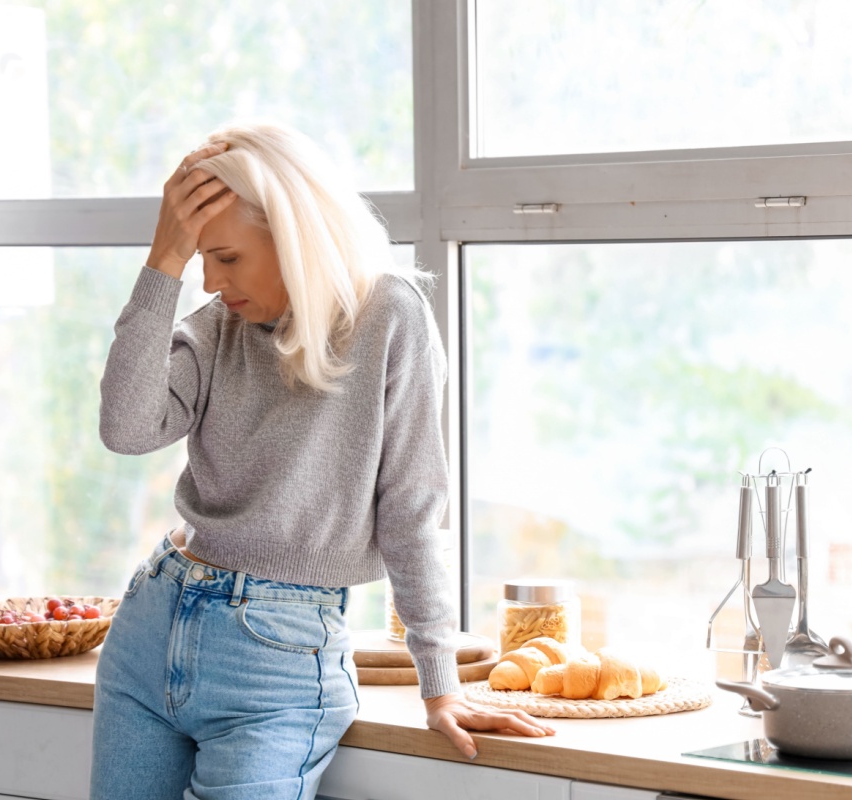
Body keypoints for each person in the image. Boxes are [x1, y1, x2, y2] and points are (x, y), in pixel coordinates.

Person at [91, 122, 554, 800]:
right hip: (150, 625)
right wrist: (162, 262)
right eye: (200, 262)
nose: (213, 283)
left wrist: (439, 682)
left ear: (293, 235)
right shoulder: (218, 328)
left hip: (276, 661)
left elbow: (412, 507)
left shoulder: (390, 316)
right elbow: (127, 429)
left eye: (226, 257)